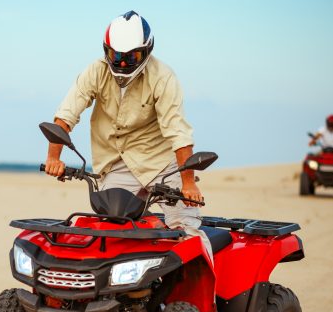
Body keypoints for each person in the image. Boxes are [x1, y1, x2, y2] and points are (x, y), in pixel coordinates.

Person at [44, 10, 213, 259]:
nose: (122, 63)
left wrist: (188, 183)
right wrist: (53, 158)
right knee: (112, 234)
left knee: (186, 230)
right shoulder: (95, 71)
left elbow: (178, 131)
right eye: (117, 55)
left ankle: (206, 283)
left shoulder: (163, 77)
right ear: (107, 50)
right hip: (115, 163)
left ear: (146, 51)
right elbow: (66, 115)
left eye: (131, 56)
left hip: (161, 164)